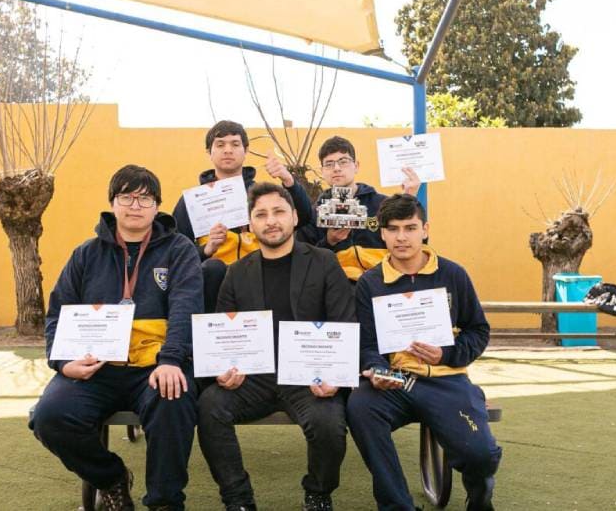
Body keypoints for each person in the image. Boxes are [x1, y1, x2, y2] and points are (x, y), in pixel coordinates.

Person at [30, 165, 203, 511]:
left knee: (174, 398)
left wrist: (170, 360)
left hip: (154, 366)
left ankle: (165, 501)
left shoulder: (179, 249)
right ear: (113, 203)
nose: (135, 205)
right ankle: (111, 479)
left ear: (157, 206)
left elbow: (186, 307)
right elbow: (57, 314)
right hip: (97, 369)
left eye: (145, 198)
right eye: (127, 196)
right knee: (49, 416)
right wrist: (64, 363)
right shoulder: (86, 253)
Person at [197, 182, 355, 511]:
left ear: (295, 217)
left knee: (328, 425)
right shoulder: (236, 273)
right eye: (261, 214)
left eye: (279, 212)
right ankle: (238, 499)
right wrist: (226, 369)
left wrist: (334, 375)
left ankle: (318, 492)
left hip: (308, 377)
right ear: (250, 224)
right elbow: (223, 332)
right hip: (254, 377)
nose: (271, 221)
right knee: (210, 406)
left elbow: (344, 323)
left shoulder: (325, 262)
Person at [346, 194, 502, 511]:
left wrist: (445, 355)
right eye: (393, 229)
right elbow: (366, 343)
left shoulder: (453, 274)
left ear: (425, 229)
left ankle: (480, 499)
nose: (401, 237)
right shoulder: (370, 282)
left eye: (410, 227)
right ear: (382, 233)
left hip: (447, 382)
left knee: (481, 455)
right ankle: (397, 506)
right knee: (360, 406)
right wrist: (377, 370)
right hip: (398, 383)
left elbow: (478, 331)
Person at [171, 120, 313, 312]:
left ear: (246, 151)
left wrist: (288, 180)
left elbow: (304, 217)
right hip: (213, 280)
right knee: (213, 268)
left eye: (235, 144)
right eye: (220, 144)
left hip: (260, 272)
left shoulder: (262, 194)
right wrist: (206, 249)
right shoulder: (194, 200)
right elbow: (176, 251)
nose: (228, 150)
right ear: (209, 152)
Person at [299, 135, 420, 282]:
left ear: (356, 166)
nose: (336, 168)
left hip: (382, 283)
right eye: (329, 164)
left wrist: (409, 199)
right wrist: (329, 241)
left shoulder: (383, 204)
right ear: (322, 171)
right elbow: (305, 262)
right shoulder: (315, 213)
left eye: (343, 162)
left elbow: (410, 243)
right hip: (337, 288)